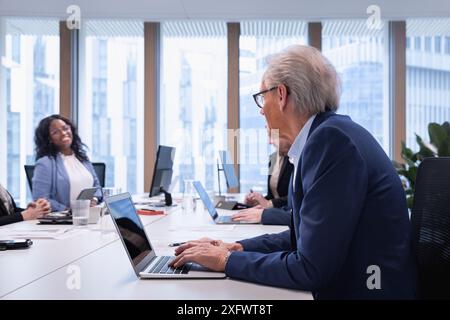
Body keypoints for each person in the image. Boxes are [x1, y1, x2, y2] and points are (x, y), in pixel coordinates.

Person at [170, 45, 418, 299]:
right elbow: (303, 237)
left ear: (281, 94)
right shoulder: (329, 135)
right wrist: (237, 247)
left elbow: (311, 269)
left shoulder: (331, 142)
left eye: (261, 97)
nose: (260, 109)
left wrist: (226, 260)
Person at [32, 115, 102, 212]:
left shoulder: (82, 158)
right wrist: (69, 211)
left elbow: (97, 186)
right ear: (49, 139)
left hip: (89, 216)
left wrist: (94, 199)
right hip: (63, 221)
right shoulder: (45, 163)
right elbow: (41, 200)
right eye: (55, 132)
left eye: (65, 128)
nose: (64, 133)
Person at [232, 128, 293, 225]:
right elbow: (273, 195)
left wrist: (268, 204)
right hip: (276, 215)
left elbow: (292, 197)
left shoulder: (293, 158)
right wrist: (257, 201)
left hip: (285, 217)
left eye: (273, 137)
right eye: (269, 136)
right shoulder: (273, 158)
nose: (269, 142)